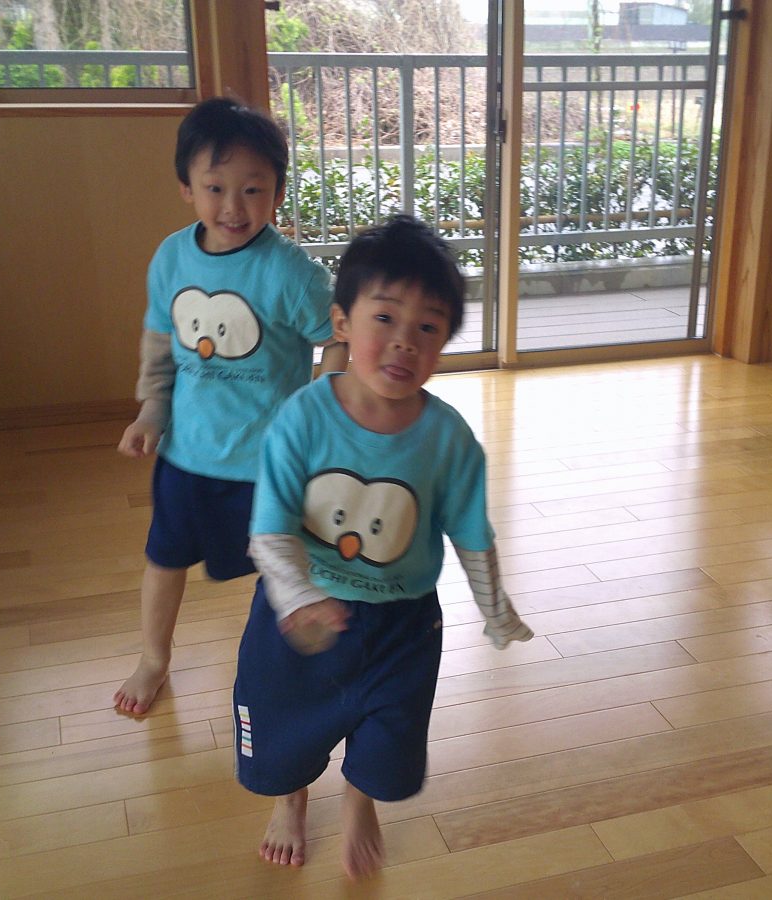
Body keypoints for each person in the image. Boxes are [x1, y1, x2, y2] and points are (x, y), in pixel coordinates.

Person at [232, 215, 533, 879]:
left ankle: (359, 799)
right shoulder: (303, 418)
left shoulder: (449, 438)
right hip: (301, 615)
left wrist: (495, 609)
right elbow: (270, 526)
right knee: (284, 722)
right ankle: (291, 798)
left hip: (404, 621)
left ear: (444, 342)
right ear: (342, 322)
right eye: (386, 318)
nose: (404, 341)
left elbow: (471, 534)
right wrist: (298, 595)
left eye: (427, 327)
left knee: (388, 732)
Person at [114, 97, 349, 715]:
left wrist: (324, 404)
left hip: (268, 464)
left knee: (284, 569)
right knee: (164, 559)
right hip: (187, 457)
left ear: (277, 193)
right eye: (215, 188)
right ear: (186, 188)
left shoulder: (290, 273)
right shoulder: (172, 258)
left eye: (253, 189)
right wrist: (151, 410)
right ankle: (153, 658)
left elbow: (337, 336)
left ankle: (294, 675)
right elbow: (160, 338)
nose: (233, 207)